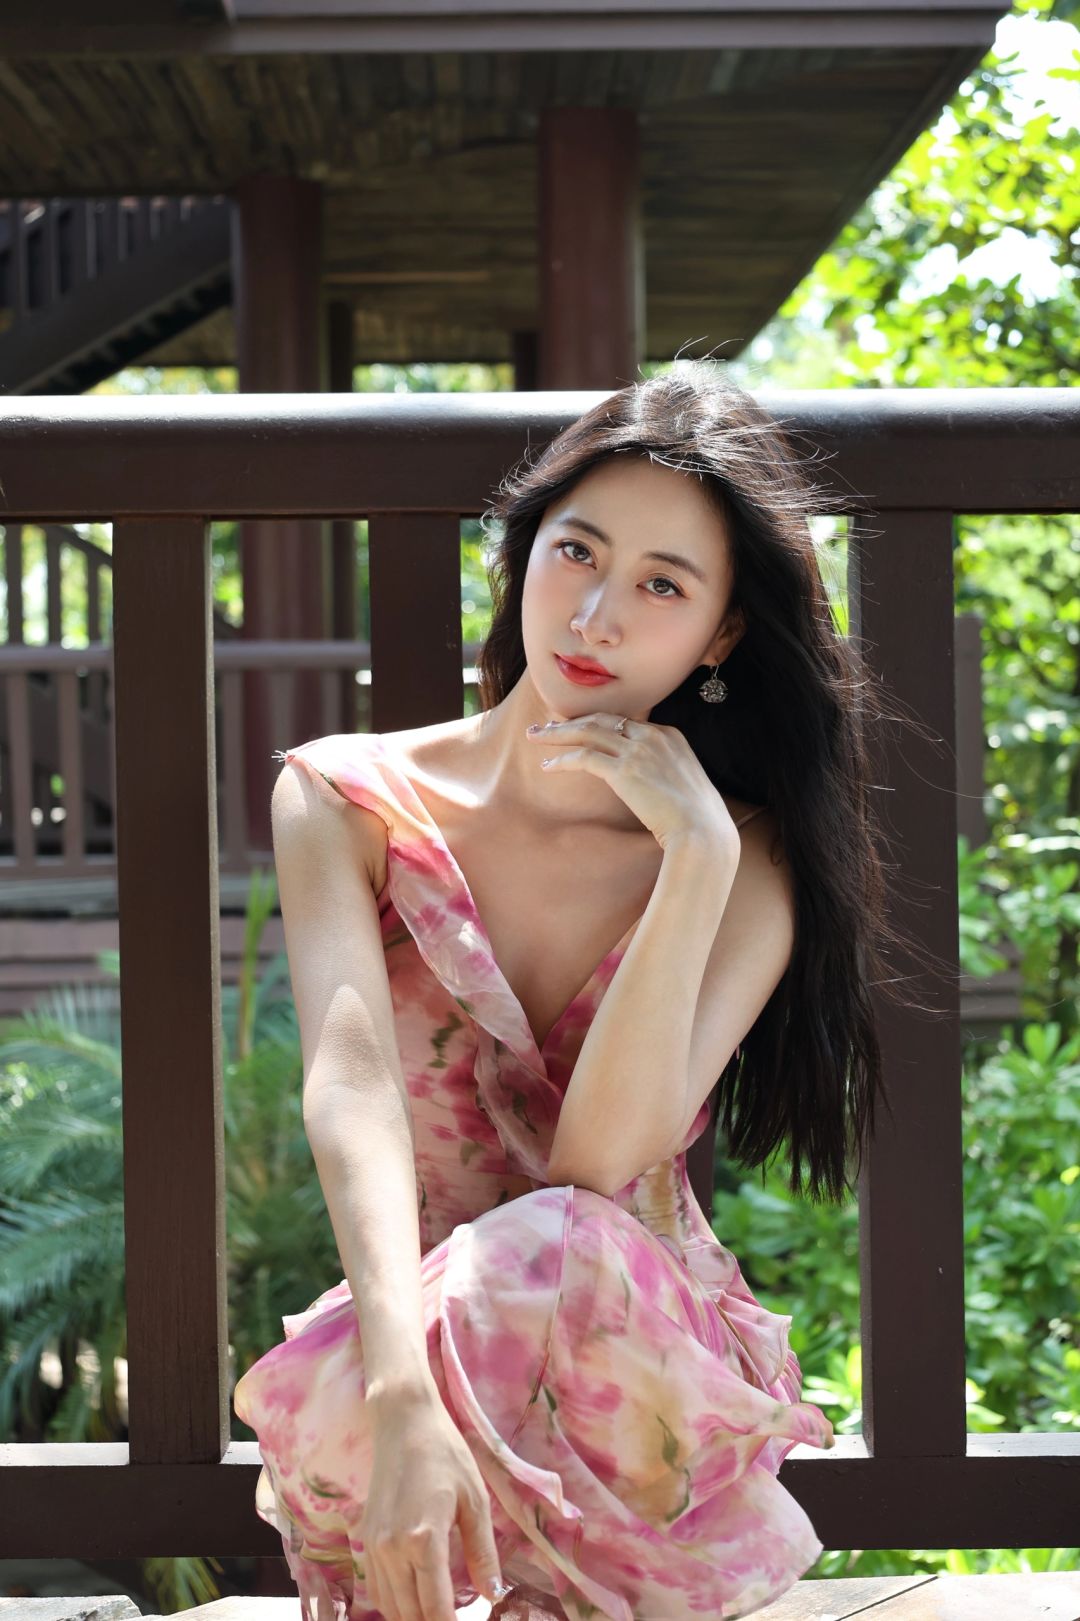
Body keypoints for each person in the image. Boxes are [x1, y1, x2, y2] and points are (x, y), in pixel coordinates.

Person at [233, 360, 934, 1621]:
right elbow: (350, 1089)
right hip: (397, 1370)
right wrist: (404, 1393)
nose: (597, 613)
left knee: (565, 1237)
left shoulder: (750, 854)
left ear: (719, 635)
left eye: (662, 585)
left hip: (633, 1381)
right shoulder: (345, 799)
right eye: (576, 552)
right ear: (523, 553)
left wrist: (696, 860)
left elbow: (600, 1164)